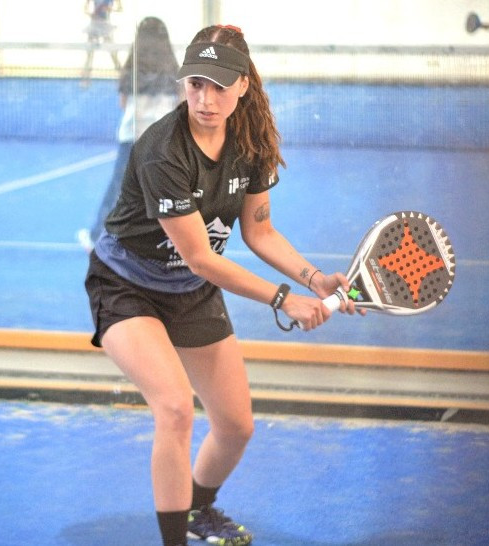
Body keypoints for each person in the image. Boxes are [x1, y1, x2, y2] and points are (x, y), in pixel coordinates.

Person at [84, 24, 359, 546]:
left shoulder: (252, 144)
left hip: (189, 290)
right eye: (195, 84)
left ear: (243, 85)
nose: (205, 100)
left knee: (235, 426)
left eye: (218, 86)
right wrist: (284, 299)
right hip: (126, 285)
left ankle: (198, 509)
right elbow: (201, 257)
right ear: (183, 83)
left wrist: (315, 277)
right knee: (174, 408)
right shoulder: (162, 150)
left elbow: (260, 231)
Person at [78, 16, 180, 251]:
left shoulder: (131, 70)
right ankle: (176, 242)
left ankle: (96, 238)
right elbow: (180, 103)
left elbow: (123, 104)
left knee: (118, 190)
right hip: (162, 140)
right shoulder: (173, 71)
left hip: (133, 138)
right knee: (169, 192)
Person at [81, 0, 122, 85]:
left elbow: (120, 8)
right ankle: (86, 79)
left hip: (106, 25)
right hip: (94, 24)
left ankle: (122, 78)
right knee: (90, 53)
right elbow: (85, 8)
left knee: (113, 53)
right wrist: (89, 14)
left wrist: (110, 9)